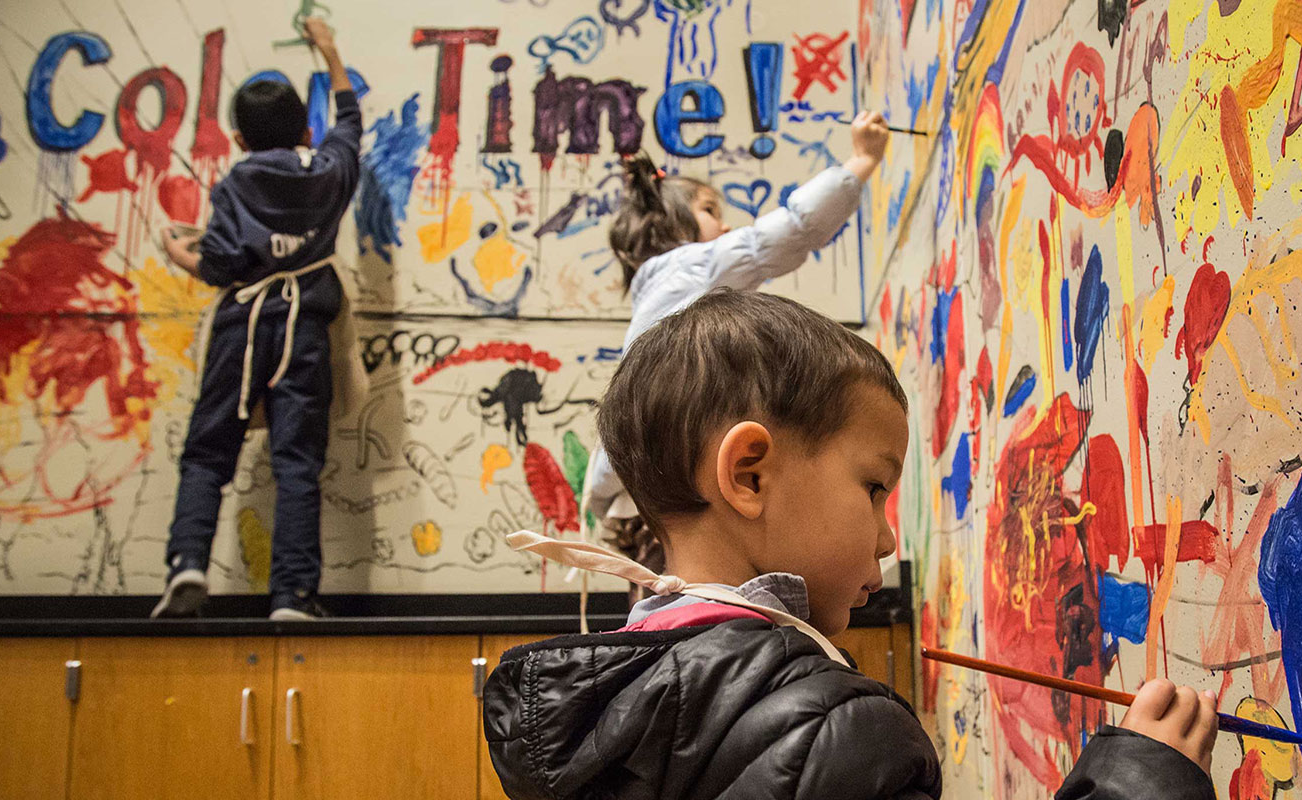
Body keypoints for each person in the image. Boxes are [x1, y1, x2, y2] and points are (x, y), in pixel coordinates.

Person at [483, 289, 1219, 799]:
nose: (890, 535)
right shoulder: (832, 730)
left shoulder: (615, 708)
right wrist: (1142, 781)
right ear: (749, 474)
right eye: (874, 487)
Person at [584, 111, 891, 585]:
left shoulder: (656, 296)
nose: (725, 229)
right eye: (710, 212)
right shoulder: (690, 265)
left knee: (673, 614)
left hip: (640, 499)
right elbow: (788, 230)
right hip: (669, 489)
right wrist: (862, 160)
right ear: (674, 225)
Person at [152, 17, 365, 620]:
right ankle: (292, 596)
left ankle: (187, 563)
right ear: (304, 128)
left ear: (241, 141)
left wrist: (177, 253)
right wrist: (329, 48)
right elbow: (349, 123)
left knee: (207, 451)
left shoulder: (235, 181)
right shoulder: (329, 172)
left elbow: (219, 265)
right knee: (296, 461)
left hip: (241, 328)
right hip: (304, 331)